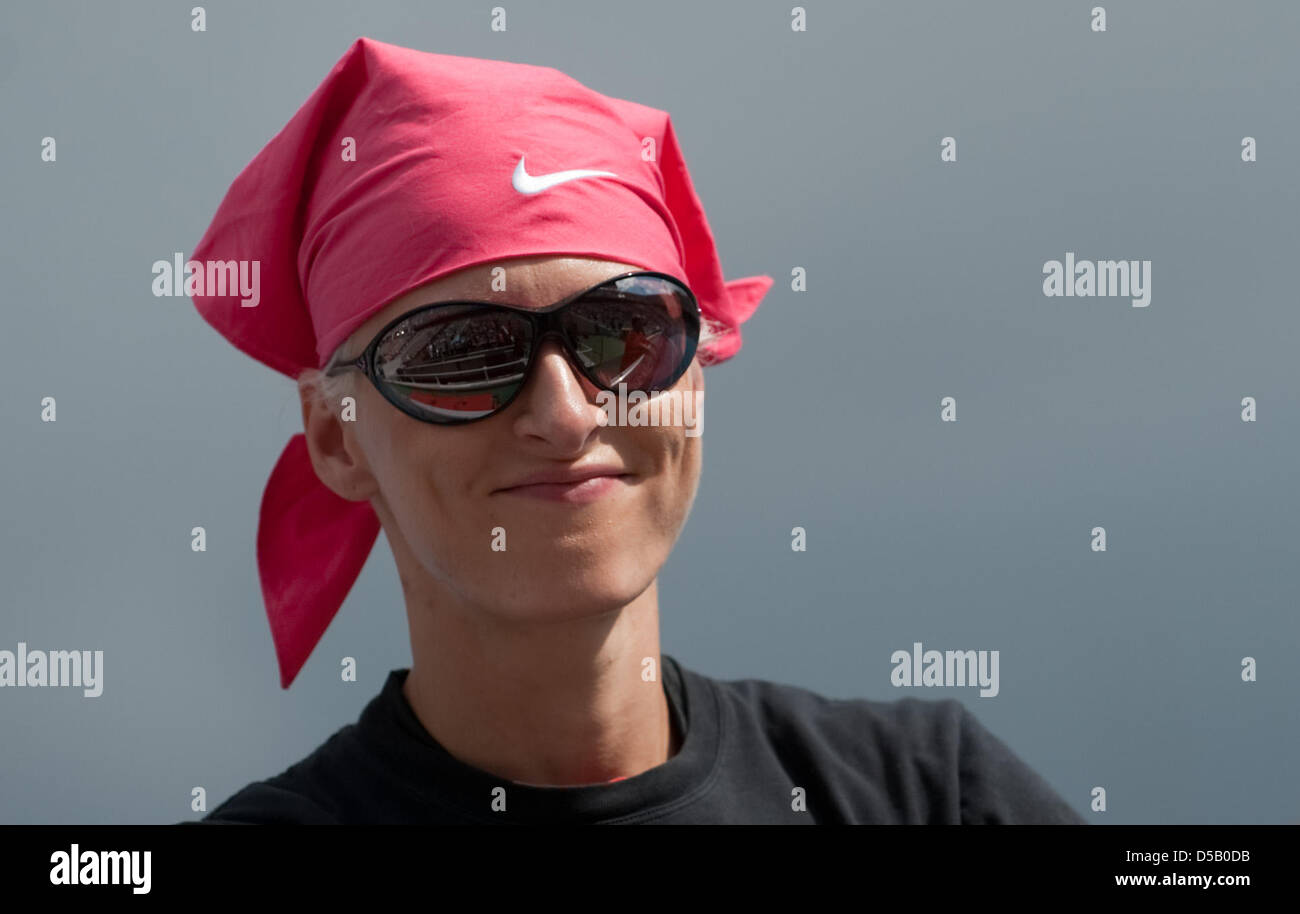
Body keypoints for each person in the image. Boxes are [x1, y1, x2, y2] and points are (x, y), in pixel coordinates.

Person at [182, 37, 1084, 825]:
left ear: (693, 371)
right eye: (462, 354)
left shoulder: (924, 797)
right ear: (337, 438)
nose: (567, 414)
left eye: (623, 333)